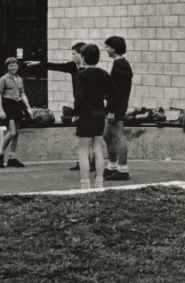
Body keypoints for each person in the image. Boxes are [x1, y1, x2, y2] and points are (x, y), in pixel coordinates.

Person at [26, 42, 91, 171]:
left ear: (82, 55)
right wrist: (39, 63)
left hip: (88, 104)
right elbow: (56, 66)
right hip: (78, 102)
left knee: (88, 133)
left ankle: (89, 160)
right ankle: (85, 159)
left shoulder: (89, 69)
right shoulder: (73, 67)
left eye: (74, 54)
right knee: (82, 133)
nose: (72, 57)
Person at [73, 43, 118, 190]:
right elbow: (114, 95)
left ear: (83, 57)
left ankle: (85, 184)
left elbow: (79, 98)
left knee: (83, 151)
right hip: (99, 114)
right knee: (98, 150)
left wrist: (76, 114)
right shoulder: (104, 74)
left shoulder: (81, 75)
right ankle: (99, 183)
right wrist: (108, 109)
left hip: (85, 115)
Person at [102, 35, 134, 181]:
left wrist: (112, 111)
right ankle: (112, 166)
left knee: (118, 136)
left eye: (107, 46)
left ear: (114, 48)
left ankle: (123, 169)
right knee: (108, 135)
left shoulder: (119, 65)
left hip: (116, 106)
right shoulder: (122, 63)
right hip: (117, 105)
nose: (105, 49)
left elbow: (117, 92)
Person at [0, 56, 33, 168]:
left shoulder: (19, 79)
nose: (13, 67)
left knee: (17, 133)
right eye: (11, 65)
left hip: (17, 105)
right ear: (7, 67)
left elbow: (22, 94)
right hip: (8, 105)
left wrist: (28, 108)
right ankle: (0, 153)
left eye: (15, 65)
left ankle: (12, 157)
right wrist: (1, 110)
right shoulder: (3, 79)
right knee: (11, 132)